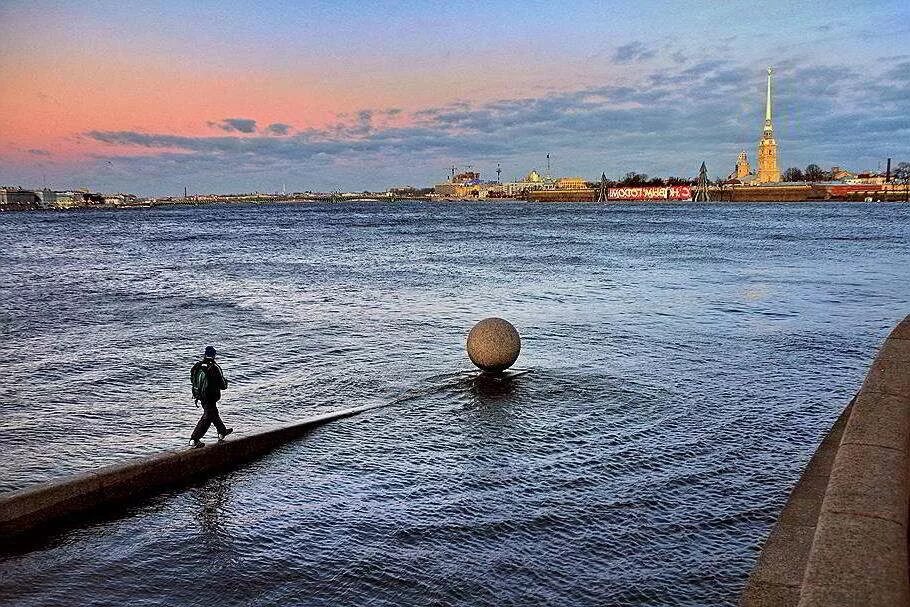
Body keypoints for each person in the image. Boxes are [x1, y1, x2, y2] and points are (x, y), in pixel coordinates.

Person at [189, 345, 233, 448]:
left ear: (205, 354)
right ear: (214, 355)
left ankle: (222, 431)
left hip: (200, 395)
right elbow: (223, 385)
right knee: (207, 417)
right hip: (210, 396)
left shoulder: (197, 365)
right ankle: (194, 439)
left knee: (213, 413)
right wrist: (226, 383)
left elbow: (193, 380)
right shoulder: (214, 366)